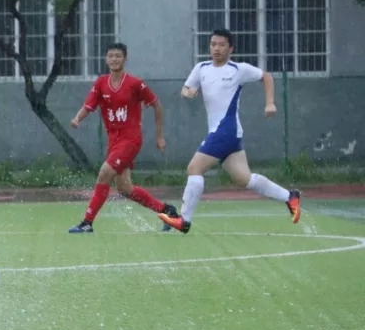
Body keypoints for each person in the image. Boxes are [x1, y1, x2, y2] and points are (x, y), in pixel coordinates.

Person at [159, 28, 301, 233]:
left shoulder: (238, 69)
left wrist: (270, 103)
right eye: (213, 44)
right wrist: (188, 92)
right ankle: (290, 197)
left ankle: (184, 220)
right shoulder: (202, 68)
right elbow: (185, 89)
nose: (216, 48)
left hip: (225, 131)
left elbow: (267, 77)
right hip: (228, 135)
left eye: (221, 45)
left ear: (230, 48)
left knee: (194, 168)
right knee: (244, 179)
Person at [67, 42, 178, 233]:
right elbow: (88, 106)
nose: (114, 59)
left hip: (130, 140)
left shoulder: (135, 84)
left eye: (118, 56)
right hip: (114, 141)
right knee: (125, 189)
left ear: (125, 59)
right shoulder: (101, 83)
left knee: (103, 174)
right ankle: (167, 211)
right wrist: (77, 118)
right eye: (110, 56)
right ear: (106, 59)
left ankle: (87, 223)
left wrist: (159, 136)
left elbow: (157, 105)